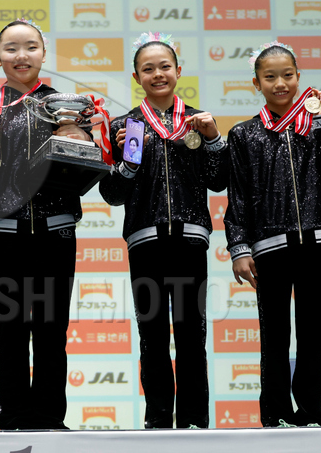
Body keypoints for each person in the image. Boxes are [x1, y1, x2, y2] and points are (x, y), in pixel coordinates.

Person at [0, 19, 88, 430]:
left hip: (56, 232)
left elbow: (84, 174)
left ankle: (49, 418)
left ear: (43, 54)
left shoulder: (69, 106)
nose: (21, 56)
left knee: (52, 330)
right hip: (4, 236)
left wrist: (80, 137)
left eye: (30, 47)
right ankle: (13, 417)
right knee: (10, 330)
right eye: (10, 48)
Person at [98, 32, 229, 429]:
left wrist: (213, 139)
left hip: (190, 241)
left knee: (192, 336)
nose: (157, 74)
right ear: (136, 77)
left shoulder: (199, 121)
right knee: (152, 335)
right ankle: (157, 421)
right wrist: (127, 162)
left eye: (165, 67)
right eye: (148, 68)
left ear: (178, 71)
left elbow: (219, 180)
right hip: (145, 243)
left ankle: (194, 422)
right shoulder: (123, 127)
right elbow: (112, 194)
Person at [225, 41, 321, 427]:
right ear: (256, 83)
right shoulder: (243, 134)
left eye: (287, 75)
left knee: (313, 334)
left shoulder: (317, 125)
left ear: (298, 77)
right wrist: (239, 247)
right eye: (270, 77)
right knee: (274, 336)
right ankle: (275, 415)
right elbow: (238, 196)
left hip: (316, 242)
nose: (280, 83)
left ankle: (311, 414)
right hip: (268, 247)